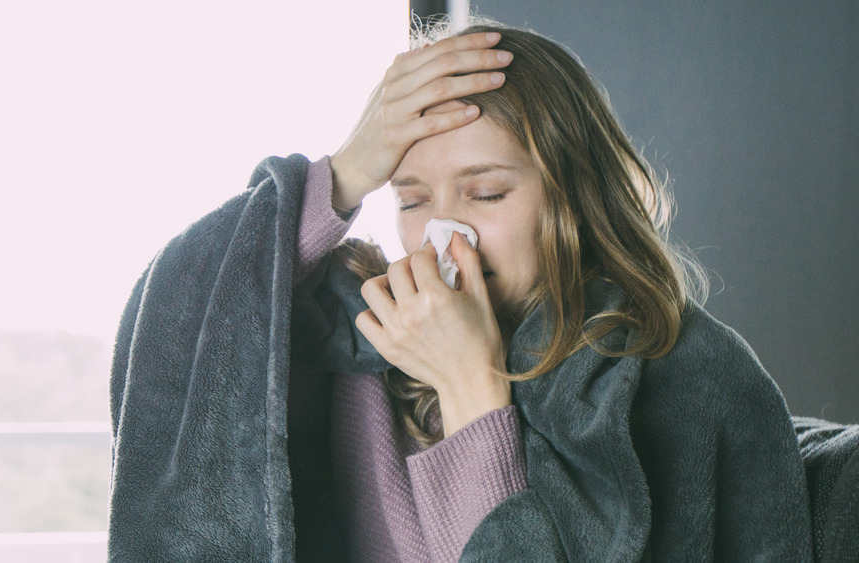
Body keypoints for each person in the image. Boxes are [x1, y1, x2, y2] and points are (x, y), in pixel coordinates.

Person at [108, 19, 816, 561]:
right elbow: (187, 320)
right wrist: (347, 171)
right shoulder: (354, 324)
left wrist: (471, 390)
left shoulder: (686, 372)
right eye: (413, 200)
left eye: (485, 192)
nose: (447, 233)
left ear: (574, 199)